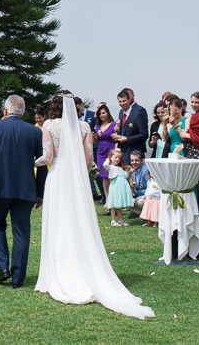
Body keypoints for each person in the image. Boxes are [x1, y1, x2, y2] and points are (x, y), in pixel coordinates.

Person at [35, 94, 154, 318]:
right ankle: (81, 267)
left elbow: (48, 155)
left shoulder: (49, 125)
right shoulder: (83, 127)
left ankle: (57, 273)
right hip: (77, 178)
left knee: (58, 221)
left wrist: (31, 161)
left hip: (58, 176)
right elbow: (89, 159)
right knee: (78, 220)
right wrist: (80, 172)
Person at [0, 95, 45, 290]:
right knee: (22, 231)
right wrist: (40, 192)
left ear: (5, 110)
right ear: (24, 112)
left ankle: (2, 267)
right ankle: (18, 277)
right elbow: (42, 164)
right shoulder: (34, 131)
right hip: (26, 189)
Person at [113, 88, 148, 165]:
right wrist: (117, 136)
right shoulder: (121, 112)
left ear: (129, 100)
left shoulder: (138, 114)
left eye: (124, 101)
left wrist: (127, 139)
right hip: (123, 152)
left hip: (134, 153)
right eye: (120, 102)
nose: (122, 103)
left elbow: (144, 134)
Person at [92, 105, 117, 202]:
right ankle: (107, 198)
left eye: (103, 113)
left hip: (110, 150)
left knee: (112, 174)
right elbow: (95, 141)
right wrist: (93, 136)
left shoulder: (113, 124)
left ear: (108, 113)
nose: (102, 115)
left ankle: (115, 198)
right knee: (103, 176)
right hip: (100, 151)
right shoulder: (97, 126)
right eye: (100, 114)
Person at [103, 148, 133, 226]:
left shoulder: (120, 168)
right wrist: (107, 159)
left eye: (119, 158)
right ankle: (113, 220)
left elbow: (124, 176)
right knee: (114, 205)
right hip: (115, 187)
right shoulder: (110, 167)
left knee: (119, 205)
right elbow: (105, 165)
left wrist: (128, 173)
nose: (117, 159)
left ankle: (120, 220)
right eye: (115, 157)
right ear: (111, 158)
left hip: (121, 188)